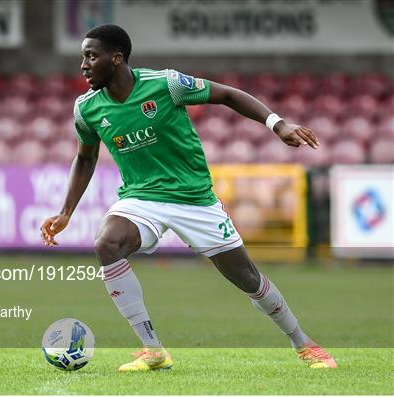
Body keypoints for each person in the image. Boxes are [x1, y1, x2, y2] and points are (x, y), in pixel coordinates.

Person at [41, 24, 336, 371]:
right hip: (142, 198)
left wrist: (278, 124)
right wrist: (65, 212)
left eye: (91, 56)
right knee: (107, 242)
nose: (84, 65)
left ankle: (304, 344)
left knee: (248, 280)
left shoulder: (165, 84)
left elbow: (227, 94)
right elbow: (86, 157)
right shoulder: (87, 108)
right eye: (82, 57)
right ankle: (153, 350)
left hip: (194, 199)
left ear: (116, 58)